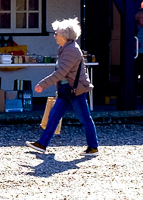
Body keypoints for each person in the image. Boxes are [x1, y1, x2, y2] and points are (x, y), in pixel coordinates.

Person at [28, 18, 98, 156]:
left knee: (84, 118)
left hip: (76, 90)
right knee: (53, 116)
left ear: (65, 36)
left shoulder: (71, 50)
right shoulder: (65, 48)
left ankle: (93, 147)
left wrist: (42, 84)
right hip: (67, 90)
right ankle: (42, 144)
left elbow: (61, 73)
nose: (55, 36)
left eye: (57, 33)